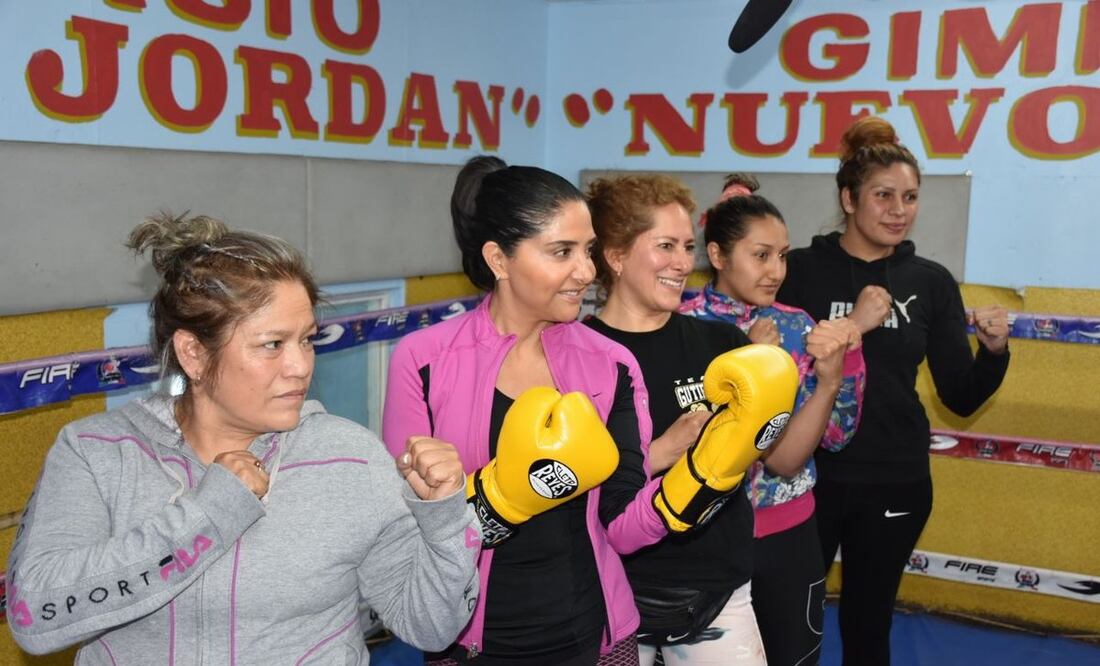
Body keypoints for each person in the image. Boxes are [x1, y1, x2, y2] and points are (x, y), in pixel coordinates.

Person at [5, 214, 479, 664]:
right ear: (192, 353)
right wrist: (208, 514)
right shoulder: (96, 452)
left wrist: (442, 523)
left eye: (307, 340)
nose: (300, 365)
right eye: (273, 345)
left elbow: (432, 627)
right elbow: (34, 618)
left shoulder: (348, 458)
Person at [383, 156, 655, 666]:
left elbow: (624, 522)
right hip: (469, 642)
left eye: (588, 250)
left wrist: (703, 477)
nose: (587, 271)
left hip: (594, 638)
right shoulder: (423, 361)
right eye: (562, 252)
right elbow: (403, 529)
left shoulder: (612, 364)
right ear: (499, 259)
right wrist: (493, 495)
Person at [775, 116, 1011, 665]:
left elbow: (960, 396)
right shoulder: (799, 273)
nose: (898, 209)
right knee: (787, 619)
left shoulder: (930, 282)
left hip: (894, 478)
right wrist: (856, 322)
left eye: (909, 197)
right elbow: (774, 366)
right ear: (849, 198)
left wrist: (994, 352)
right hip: (807, 475)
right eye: (883, 195)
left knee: (867, 623)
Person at [583, 174, 793, 666]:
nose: (682, 262)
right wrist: (662, 451)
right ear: (615, 256)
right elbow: (565, 485)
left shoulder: (722, 345)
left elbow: (766, 452)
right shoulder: (576, 357)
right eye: (665, 246)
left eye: (686, 246)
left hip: (716, 589)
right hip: (610, 590)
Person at [681, 192, 866, 665]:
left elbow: (836, 436)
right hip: (707, 533)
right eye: (760, 255)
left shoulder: (798, 326)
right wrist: (740, 359)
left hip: (791, 534)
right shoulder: (682, 327)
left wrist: (847, 360)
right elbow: (686, 436)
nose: (776, 271)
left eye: (782, 255)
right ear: (718, 255)